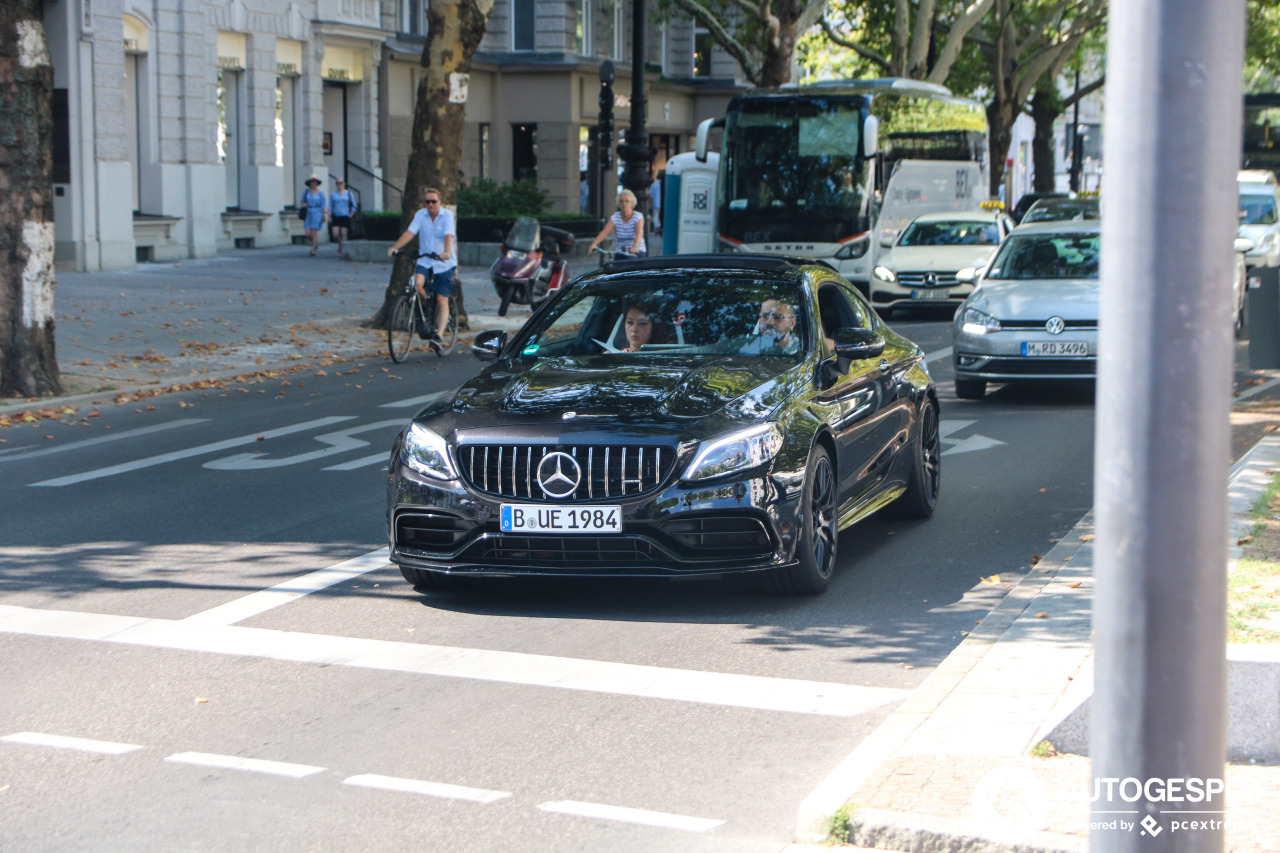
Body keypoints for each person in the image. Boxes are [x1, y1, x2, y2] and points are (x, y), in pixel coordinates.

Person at [387, 187, 457, 343]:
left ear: (440, 202)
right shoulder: (420, 215)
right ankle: (428, 308)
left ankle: (438, 335)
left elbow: (448, 235)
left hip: (444, 263)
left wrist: (446, 252)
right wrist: (395, 248)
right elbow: (410, 232)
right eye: (427, 201)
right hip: (425, 260)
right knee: (417, 283)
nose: (431, 204)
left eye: (434, 201)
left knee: (441, 299)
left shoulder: (447, 216)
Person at [588, 189, 646, 259]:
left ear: (632, 203)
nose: (624, 204)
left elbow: (638, 234)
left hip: (636, 252)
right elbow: (605, 232)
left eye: (627, 201)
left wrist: (635, 246)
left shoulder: (638, 216)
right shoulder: (615, 217)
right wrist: (594, 244)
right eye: (621, 201)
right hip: (620, 251)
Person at [736, 298, 802, 355]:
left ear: (792, 323)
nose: (769, 322)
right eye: (765, 316)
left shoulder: (803, 352)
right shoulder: (746, 350)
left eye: (777, 317)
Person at [328, 178, 357, 257]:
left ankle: (344, 250)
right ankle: (341, 245)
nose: (339, 184)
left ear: (344, 183)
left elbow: (354, 206)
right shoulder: (333, 194)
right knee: (335, 234)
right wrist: (329, 215)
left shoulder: (349, 193)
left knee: (344, 233)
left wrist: (350, 214)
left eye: (340, 183)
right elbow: (330, 206)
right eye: (337, 183)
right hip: (336, 215)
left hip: (345, 215)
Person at [300, 175, 328, 256]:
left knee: (314, 231)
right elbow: (302, 202)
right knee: (308, 233)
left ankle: (313, 249)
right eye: (312, 182)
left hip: (317, 212)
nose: (313, 183)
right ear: (309, 183)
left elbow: (323, 204)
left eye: (315, 182)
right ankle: (315, 243)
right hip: (309, 212)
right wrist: (305, 205)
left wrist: (323, 215)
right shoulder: (306, 192)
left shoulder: (320, 193)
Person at [649, 171, 664, 235]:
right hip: (663, 204)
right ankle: (661, 228)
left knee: (655, 216)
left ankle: (656, 229)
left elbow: (650, 195)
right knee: (662, 216)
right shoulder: (665, 184)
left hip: (655, 203)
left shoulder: (654, 185)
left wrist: (649, 203)